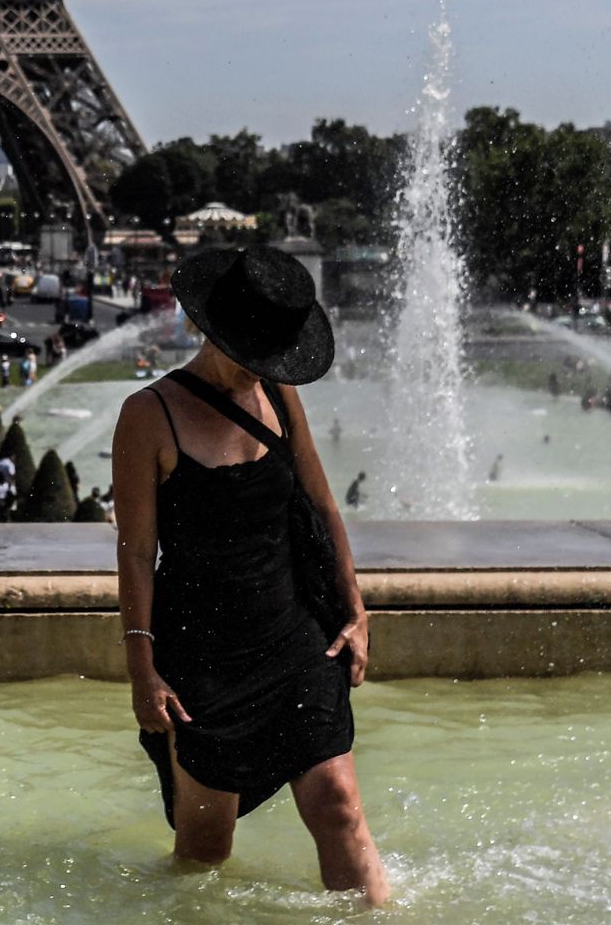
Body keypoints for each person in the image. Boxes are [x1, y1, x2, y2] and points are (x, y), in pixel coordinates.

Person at [109, 244, 388, 904]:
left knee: (340, 805)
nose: (263, 369)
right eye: (252, 353)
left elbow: (321, 504)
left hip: (292, 637)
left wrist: (357, 610)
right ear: (214, 332)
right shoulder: (149, 415)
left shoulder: (280, 397)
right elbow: (134, 550)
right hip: (201, 660)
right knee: (207, 849)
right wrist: (141, 668)